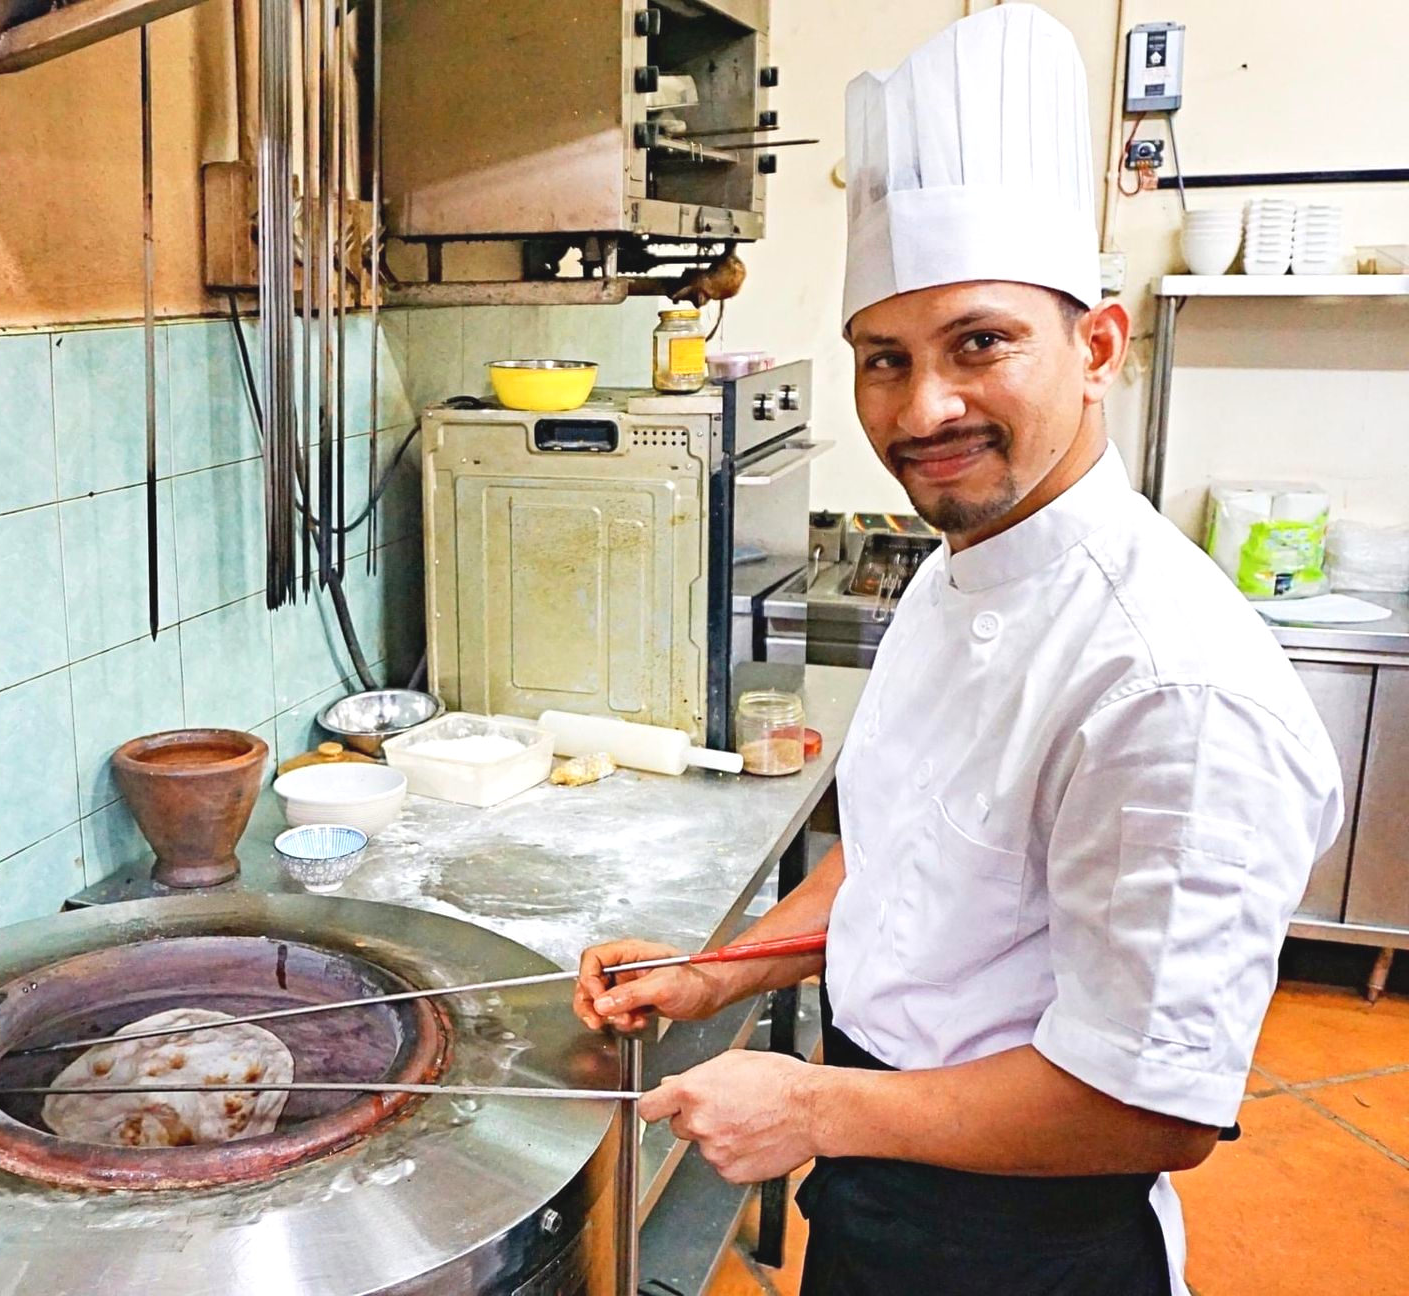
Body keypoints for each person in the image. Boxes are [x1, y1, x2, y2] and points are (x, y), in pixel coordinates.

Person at [571, 7, 1344, 1294]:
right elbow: (910, 869)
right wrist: (718, 972)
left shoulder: (1165, 685)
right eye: (885, 359)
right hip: (890, 1180)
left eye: (980, 344)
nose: (922, 409)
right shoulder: (958, 567)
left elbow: (1154, 1109)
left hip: (1026, 1233)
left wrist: (812, 1110)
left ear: (1098, 348)